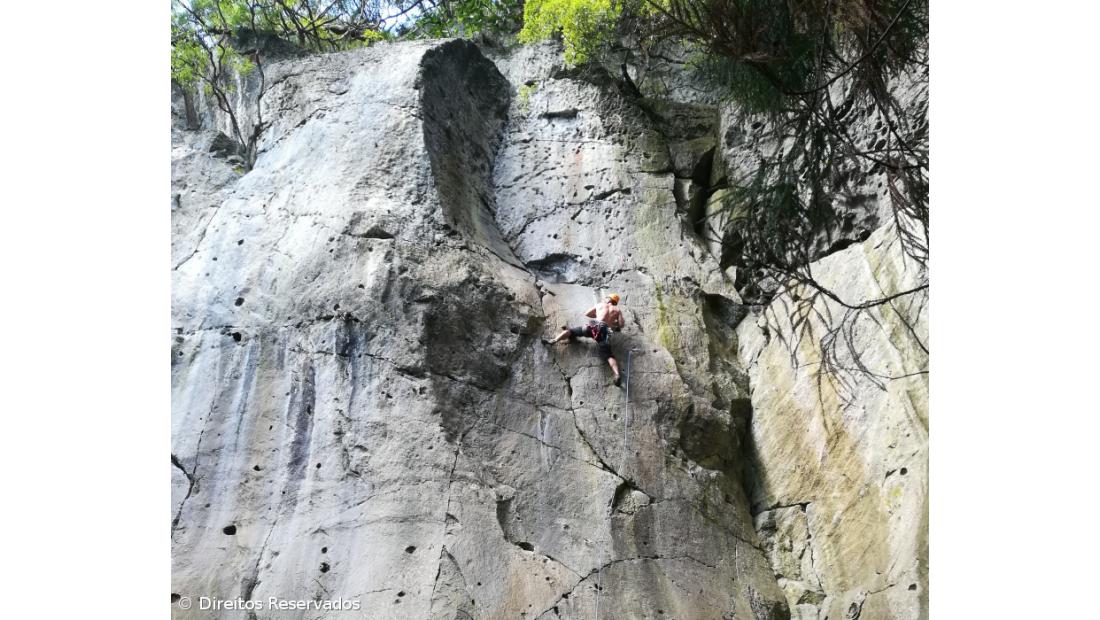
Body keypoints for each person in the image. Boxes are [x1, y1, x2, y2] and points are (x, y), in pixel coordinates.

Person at [542, 293, 626, 386]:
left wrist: (598, 315)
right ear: (615, 302)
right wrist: (613, 323)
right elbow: (621, 324)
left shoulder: (600, 305)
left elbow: (587, 313)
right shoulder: (617, 310)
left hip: (594, 326)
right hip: (604, 331)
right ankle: (617, 374)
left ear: (609, 299)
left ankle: (553, 340)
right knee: (609, 355)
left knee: (571, 331)